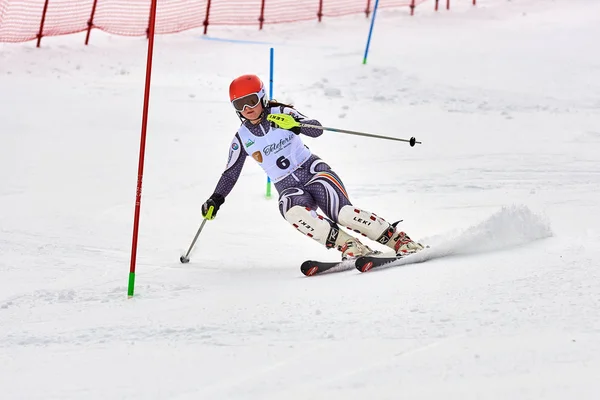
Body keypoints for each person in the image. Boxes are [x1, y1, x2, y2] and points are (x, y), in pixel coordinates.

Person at [201, 74, 424, 260]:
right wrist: (216, 199)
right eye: (240, 104)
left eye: (251, 100)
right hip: (287, 186)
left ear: (261, 97)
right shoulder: (241, 138)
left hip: (313, 171)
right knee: (292, 211)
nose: (247, 108)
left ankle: (399, 240)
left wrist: (297, 125)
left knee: (343, 213)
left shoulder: (282, 114)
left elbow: (317, 130)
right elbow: (230, 174)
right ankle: (350, 246)